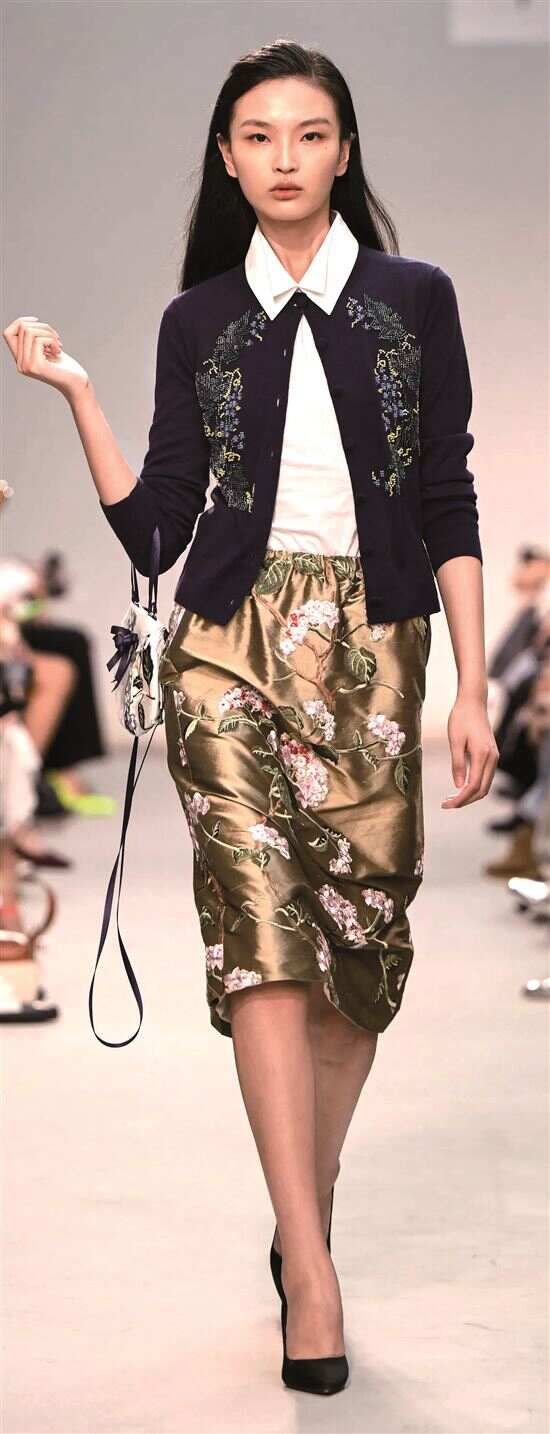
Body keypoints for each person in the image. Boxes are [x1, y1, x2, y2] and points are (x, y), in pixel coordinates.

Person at [2, 39, 499, 1397]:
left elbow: (446, 494)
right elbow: (159, 526)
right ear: (226, 159)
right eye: (258, 135)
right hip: (226, 646)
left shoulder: (414, 298)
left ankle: (301, 1210)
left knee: (360, 956)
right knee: (263, 941)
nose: (284, 157)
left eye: (310, 133)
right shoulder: (199, 320)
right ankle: (313, 1274)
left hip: (377, 648)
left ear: (344, 150)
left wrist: (471, 681)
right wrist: (82, 392)